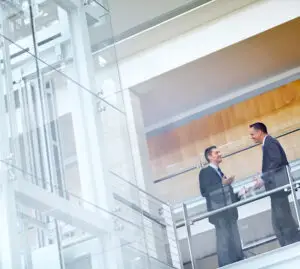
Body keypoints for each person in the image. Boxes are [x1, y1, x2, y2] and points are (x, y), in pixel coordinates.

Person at [249, 122, 300, 246]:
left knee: (282, 218)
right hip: (277, 187)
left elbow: (276, 161)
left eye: (252, 134)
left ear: (260, 132)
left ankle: (291, 244)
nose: (252, 137)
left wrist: (263, 178)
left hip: (278, 186)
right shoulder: (268, 143)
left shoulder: (269, 142)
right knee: (280, 219)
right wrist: (262, 176)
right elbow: (274, 163)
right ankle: (291, 243)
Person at [199, 146, 244, 267]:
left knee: (234, 240)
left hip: (229, 212)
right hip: (219, 214)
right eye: (216, 152)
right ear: (209, 156)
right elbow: (205, 192)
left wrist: (238, 194)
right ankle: (227, 265)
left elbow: (225, 194)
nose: (220, 154)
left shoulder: (219, 172)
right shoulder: (205, 172)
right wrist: (222, 184)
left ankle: (239, 263)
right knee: (224, 242)